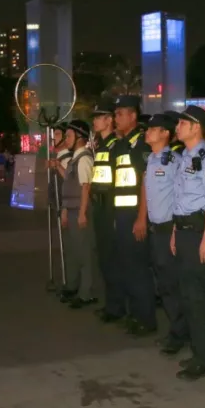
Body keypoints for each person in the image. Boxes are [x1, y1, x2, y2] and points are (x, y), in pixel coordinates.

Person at [170, 105, 205, 379]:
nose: (177, 127)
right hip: (184, 230)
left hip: (200, 232)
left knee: (200, 298)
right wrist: (175, 232)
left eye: (182, 123)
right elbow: (181, 199)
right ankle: (198, 351)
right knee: (189, 296)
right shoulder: (185, 156)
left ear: (195, 128)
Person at [107, 95, 156, 336]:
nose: (115, 119)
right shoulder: (123, 144)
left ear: (133, 116)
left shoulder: (140, 144)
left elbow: (146, 182)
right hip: (122, 214)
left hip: (135, 215)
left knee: (138, 269)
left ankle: (146, 320)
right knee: (126, 266)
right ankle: (135, 315)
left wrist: (141, 217)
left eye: (119, 114)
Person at [144, 113, 184, 351]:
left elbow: (180, 198)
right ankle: (175, 330)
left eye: (153, 129)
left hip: (169, 230)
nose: (147, 132)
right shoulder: (151, 159)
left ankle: (179, 334)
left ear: (165, 134)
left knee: (172, 284)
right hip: (155, 230)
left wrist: (175, 232)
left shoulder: (174, 162)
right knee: (163, 284)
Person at [59, 120, 99, 309]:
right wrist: (65, 210)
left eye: (69, 136)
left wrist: (82, 213)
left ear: (80, 137)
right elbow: (69, 184)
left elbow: (85, 187)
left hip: (80, 211)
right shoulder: (75, 159)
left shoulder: (84, 159)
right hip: (72, 209)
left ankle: (86, 293)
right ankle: (73, 286)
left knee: (84, 253)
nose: (65, 139)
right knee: (74, 252)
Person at [89, 100, 120, 321]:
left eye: (99, 117)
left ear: (109, 120)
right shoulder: (101, 145)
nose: (95, 121)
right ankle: (111, 305)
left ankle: (116, 307)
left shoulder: (115, 146)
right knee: (104, 258)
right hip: (100, 205)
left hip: (110, 206)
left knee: (112, 259)